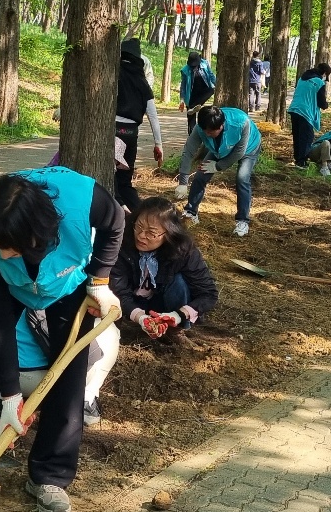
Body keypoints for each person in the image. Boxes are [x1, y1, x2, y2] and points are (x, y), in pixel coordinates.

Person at [0, 168, 125, 512]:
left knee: (68, 377)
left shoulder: (83, 200)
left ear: (36, 233)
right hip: (4, 288)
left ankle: (50, 475)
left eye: (11, 248)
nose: (6, 255)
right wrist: (11, 395)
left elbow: (115, 223)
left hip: (66, 287)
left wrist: (100, 279)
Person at [110, 198, 218, 351]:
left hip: (163, 303)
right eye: (138, 226)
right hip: (130, 301)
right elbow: (118, 290)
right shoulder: (120, 242)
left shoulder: (183, 250)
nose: (141, 236)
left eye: (151, 233)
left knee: (179, 282)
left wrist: (178, 315)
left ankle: (175, 331)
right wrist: (140, 317)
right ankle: (117, 328)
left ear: (168, 233)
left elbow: (208, 294)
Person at [176, 105, 262, 237]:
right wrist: (183, 182)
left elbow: (239, 152)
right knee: (201, 174)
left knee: (242, 178)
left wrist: (218, 166)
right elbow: (188, 151)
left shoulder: (241, 123)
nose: (207, 134)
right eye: (205, 131)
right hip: (219, 149)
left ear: (221, 126)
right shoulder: (201, 128)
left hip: (248, 148)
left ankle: (242, 221)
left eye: (210, 132)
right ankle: (191, 212)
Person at [113, 39, 165, 211]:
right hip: (130, 135)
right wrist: (158, 144)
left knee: (111, 179)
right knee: (125, 182)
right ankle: (139, 214)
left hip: (113, 132)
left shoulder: (113, 75)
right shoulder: (142, 83)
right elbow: (153, 116)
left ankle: (122, 212)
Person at [288, 63, 331, 168]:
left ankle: (297, 158)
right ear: (325, 73)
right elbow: (321, 103)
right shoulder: (319, 82)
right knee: (307, 137)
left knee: (297, 135)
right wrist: (326, 105)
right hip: (306, 112)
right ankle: (301, 162)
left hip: (294, 108)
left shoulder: (302, 77)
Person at [178, 53, 217, 132]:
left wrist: (217, 85)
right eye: (192, 65)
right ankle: (192, 135)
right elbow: (183, 86)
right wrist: (182, 100)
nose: (194, 67)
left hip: (204, 89)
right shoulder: (185, 70)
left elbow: (211, 75)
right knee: (190, 115)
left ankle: (193, 107)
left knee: (211, 90)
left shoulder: (205, 64)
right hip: (192, 94)